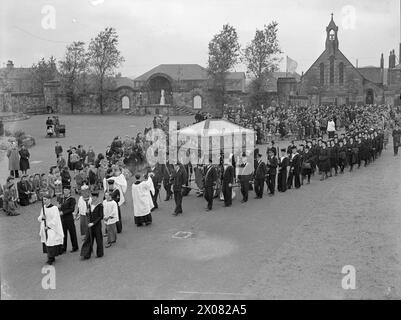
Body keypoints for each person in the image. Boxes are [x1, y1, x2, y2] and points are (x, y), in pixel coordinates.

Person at [38, 192, 64, 265]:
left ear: (49, 200)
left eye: (45, 199)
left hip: (52, 229)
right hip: (45, 228)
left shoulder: (54, 208)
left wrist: (48, 226)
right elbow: (39, 218)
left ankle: (51, 258)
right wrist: (42, 218)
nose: (44, 201)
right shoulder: (43, 208)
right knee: (46, 242)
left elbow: (55, 220)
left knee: (51, 242)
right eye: (43, 200)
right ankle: (50, 256)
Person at [80, 191, 104, 259]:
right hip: (90, 225)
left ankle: (100, 253)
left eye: (94, 197)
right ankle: (86, 254)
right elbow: (89, 214)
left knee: (98, 239)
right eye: (92, 197)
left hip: (97, 225)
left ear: (97, 197)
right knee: (89, 239)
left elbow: (101, 216)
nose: (93, 198)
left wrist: (93, 223)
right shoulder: (90, 204)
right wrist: (88, 212)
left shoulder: (100, 205)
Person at [58, 187, 78, 254]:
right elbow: (60, 206)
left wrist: (63, 212)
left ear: (69, 191)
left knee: (72, 232)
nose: (64, 191)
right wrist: (59, 208)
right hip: (63, 218)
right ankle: (63, 248)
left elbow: (72, 209)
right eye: (64, 190)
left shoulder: (72, 199)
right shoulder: (62, 198)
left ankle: (75, 247)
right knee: (63, 233)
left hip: (69, 218)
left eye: (66, 190)